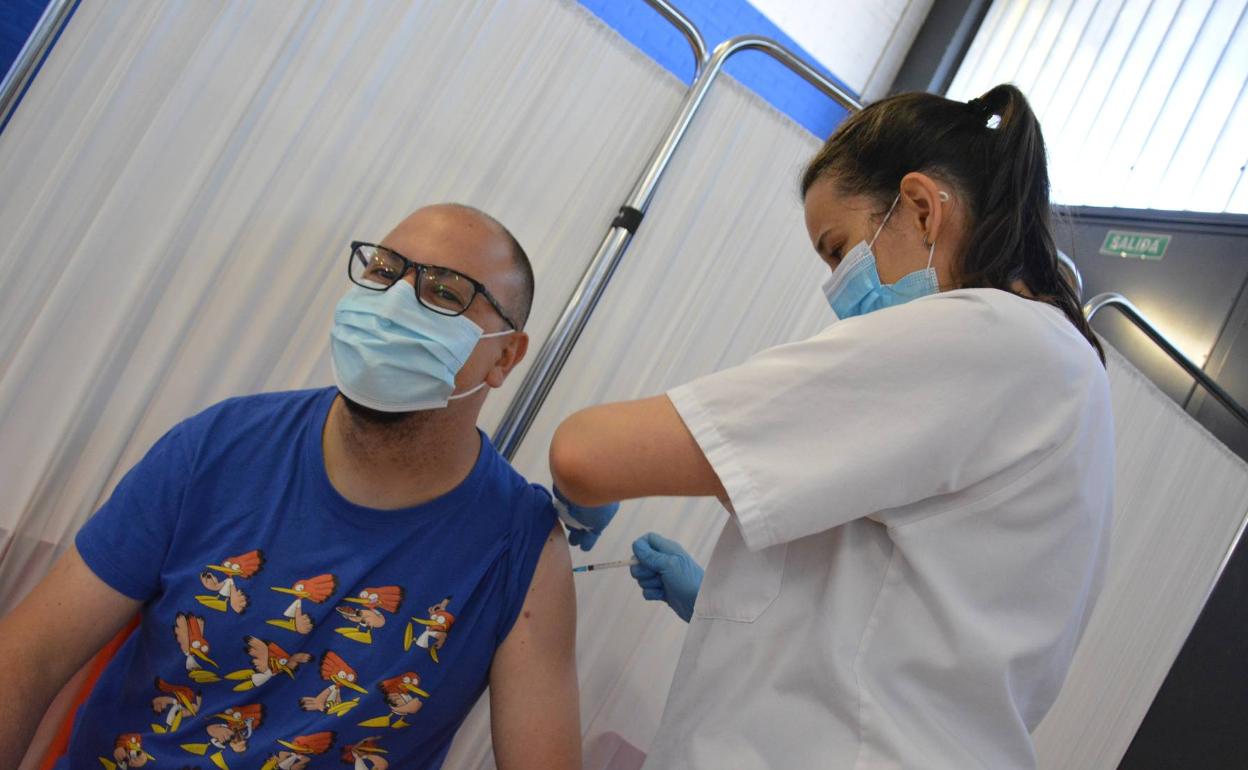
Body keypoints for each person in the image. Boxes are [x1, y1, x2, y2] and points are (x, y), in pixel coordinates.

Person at [550, 85, 1114, 769]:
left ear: (922, 208)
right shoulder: (1053, 368)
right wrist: (721, 605)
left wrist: (594, 482)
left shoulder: (985, 337)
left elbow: (585, 451)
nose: (837, 286)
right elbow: (900, 596)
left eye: (838, 249)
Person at [0, 204, 581, 769]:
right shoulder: (220, 447)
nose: (397, 303)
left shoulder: (521, 552)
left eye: (445, 292)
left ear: (505, 356)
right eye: (383, 270)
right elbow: (27, 659)